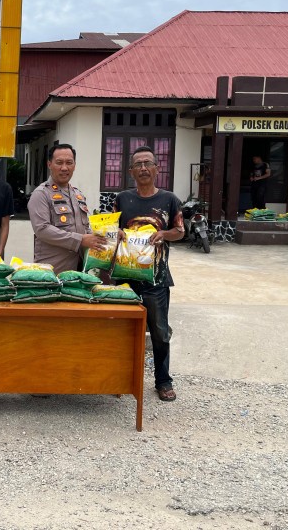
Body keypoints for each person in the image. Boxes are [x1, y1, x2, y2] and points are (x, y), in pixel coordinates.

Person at [114, 145, 184, 402]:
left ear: (157, 168)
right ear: (131, 171)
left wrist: (164, 234)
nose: (143, 168)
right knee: (122, 330)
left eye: (148, 163)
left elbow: (180, 231)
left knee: (159, 330)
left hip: (157, 278)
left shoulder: (169, 200)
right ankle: (119, 379)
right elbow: (112, 230)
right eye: (138, 164)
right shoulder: (122, 198)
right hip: (124, 276)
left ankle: (163, 381)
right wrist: (116, 233)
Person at [28, 144, 107, 274]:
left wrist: (110, 234)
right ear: (49, 164)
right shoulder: (41, 194)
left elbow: (86, 228)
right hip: (53, 270)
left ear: (74, 165)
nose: (64, 168)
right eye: (59, 163)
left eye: (69, 163)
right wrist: (80, 240)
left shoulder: (78, 194)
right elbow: (42, 229)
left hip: (78, 269)